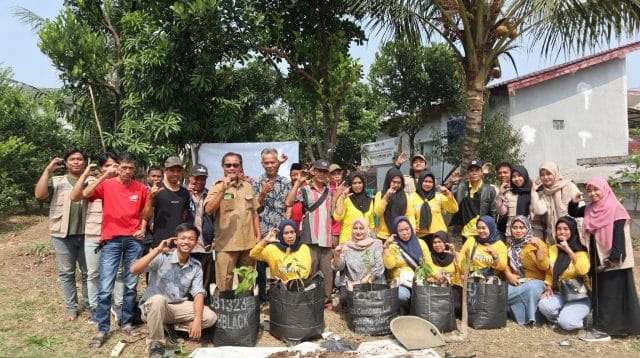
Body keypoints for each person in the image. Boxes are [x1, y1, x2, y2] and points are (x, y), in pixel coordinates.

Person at [78, 152, 149, 348]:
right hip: (111, 241)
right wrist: (104, 175)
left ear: (135, 169)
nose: (126, 172)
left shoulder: (141, 188)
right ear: (118, 167)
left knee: (131, 284)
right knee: (105, 286)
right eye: (123, 167)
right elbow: (85, 194)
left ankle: (126, 322)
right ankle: (102, 328)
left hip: (133, 241)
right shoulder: (107, 185)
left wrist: (143, 227)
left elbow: (146, 212)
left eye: (130, 168)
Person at [568, 178, 640, 340]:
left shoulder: (616, 209)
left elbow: (619, 235)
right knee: (602, 292)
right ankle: (610, 325)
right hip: (597, 257)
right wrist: (574, 201)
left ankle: (605, 329)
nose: (592, 194)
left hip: (612, 259)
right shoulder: (590, 209)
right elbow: (573, 212)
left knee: (613, 293)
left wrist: (615, 258)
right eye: (590, 191)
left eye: (596, 190)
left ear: (605, 189)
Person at [131, 223, 217, 358]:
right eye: (183, 238)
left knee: (210, 317)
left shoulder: (195, 266)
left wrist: (198, 320)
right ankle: (156, 344)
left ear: (195, 243)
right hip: (153, 307)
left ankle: (170, 326)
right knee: (159, 300)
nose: (186, 242)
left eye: (191, 239)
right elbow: (134, 270)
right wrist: (157, 250)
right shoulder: (162, 257)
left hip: (176, 308)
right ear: (176, 240)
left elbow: (198, 293)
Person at [34, 147, 89, 322]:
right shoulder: (57, 181)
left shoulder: (92, 180)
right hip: (62, 235)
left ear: (85, 162)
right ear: (66, 162)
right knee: (67, 273)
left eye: (79, 159)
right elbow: (40, 194)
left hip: (87, 234)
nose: (76, 162)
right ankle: (71, 308)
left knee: (89, 273)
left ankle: (89, 304)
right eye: (72, 159)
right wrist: (47, 170)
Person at [70, 151, 124, 324]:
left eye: (114, 165)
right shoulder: (92, 182)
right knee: (93, 273)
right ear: (101, 169)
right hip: (94, 235)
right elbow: (77, 196)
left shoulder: (123, 183)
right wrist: (103, 177)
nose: (111, 169)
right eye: (107, 166)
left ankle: (118, 306)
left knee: (119, 273)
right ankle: (96, 308)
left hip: (117, 235)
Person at [204, 152, 260, 291]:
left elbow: (254, 212)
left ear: (240, 167)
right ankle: (226, 312)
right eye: (228, 165)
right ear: (223, 167)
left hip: (248, 245)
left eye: (235, 165)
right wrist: (223, 190)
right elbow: (208, 210)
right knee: (224, 285)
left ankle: (246, 312)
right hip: (226, 246)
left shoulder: (247, 186)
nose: (232, 168)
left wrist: (258, 236)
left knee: (247, 284)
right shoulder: (217, 187)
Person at [285, 159, 334, 309]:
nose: (321, 174)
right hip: (309, 236)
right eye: (319, 170)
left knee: (327, 273)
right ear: (314, 171)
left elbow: (333, 214)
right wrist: (298, 183)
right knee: (309, 270)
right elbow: (289, 202)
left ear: (327, 175)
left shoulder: (330, 192)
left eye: (324, 172)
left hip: (326, 238)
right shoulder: (305, 190)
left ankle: (327, 300)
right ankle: (309, 297)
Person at [538, 216, 590, 331]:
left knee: (568, 324)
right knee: (544, 305)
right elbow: (549, 271)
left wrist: (569, 251)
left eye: (566, 229)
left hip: (579, 296)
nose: (562, 232)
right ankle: (560, 319)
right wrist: (548, 286)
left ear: (572, 230)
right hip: (560, 292)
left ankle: (577, 320)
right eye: (559, 229)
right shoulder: (553, 249)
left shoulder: (581, 251)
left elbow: (582, 270)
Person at [253, 148, 292, 302]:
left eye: (272, 162)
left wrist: (287, 221)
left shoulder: (286, 182)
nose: (269, 165)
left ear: (278, 163)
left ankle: (280, 293)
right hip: (263, 229)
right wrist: (263, 193)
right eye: (266, 162)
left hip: (281, 229)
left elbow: (289, 204)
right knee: (261, 266)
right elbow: (255, 208)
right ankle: (261, 296)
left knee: (281, 263)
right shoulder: (256, 182)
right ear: (262, 164)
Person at [503, 215, 548, 325]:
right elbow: (503, 265)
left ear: (528, 228)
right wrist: (509, 275)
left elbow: (545, 267)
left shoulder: (536, 243)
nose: (518, 231)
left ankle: (533, 318)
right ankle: (516, 314)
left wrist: (539, 250)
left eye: (522, 227)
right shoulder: (508, 245)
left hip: (536, 281)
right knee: (502, 292)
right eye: (515, 227)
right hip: (517, 281)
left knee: (531, 289)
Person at [332, 218, 385, 310]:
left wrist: (361, 282)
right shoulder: (346, 246)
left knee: (370, 299)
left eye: (361, 228)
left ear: (366, 229)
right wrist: (337, 255)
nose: (358, 231)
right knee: (346, 298)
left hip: (371, 281)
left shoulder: (376, 244)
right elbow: (339, 267)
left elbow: (379, 268)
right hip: (351, 281)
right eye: (355, 228)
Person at [382, 216, 430, 314]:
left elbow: (429, 264)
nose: (405, 233)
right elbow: (389, 266)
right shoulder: (393, 246)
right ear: (396, 232)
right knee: (402, 295)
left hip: (419, 280)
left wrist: (435, 276)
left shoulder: (421, 243)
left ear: (411, 229)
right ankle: (405, 313)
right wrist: (386, 247)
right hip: (402, 282)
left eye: (407, 229)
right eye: (401, 230)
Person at [142, 156, 190, 249]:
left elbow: (184, 217)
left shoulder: (185, 192)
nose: (175, 174)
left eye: (178, 171)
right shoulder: (157, 190)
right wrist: (151, 197)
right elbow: (146, 216)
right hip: (159, 245)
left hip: (179, 244)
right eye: (172, 170)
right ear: (165, 170)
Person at [531, 161, 582, 244]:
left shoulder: (569, 186)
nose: (545, 177)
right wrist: (533, 192)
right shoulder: (544, 193)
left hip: (572, 235)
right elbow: (539, 210)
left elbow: (579, 212)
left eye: (548, 174)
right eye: (542, 175)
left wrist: (581, 234)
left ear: (555, 173)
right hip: (553, 237)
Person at [186, 164, 215, 297]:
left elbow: (216, 219)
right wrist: (186, 195)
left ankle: (204, 304)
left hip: (205, 244)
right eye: (196, 178)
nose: (199, 181)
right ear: (190, 177)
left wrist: (215, 238)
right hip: (187, 245)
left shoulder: (210, 195)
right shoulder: (183, 194)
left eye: (202, 178)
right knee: (186, 276)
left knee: (206, 278)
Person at [450, 159, 497, 240]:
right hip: (466, 232)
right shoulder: (462, 187)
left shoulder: (489, 190)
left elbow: (493, 213)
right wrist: (450, 183)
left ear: (482, 172)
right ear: (468, 173)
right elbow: (447, 198)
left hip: (482, 232)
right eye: (471, 170)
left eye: (477, 170)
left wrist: (492, 231)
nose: (474, 173)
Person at [412, 171, 458, 241]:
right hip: (420, 236)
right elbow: (409, 216)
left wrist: (448, 193)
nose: (428, 184)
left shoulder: (438, 196)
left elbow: (454, 209)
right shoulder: (412, 197)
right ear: (420, 182)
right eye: (425, 181)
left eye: (430, 182)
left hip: (439, 235)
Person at [425, 231, 462, 316]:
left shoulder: (454, 255)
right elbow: (427, 273)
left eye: (440, 242)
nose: (437, 245)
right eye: (434, 242)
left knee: (457, 306)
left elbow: (462, 269)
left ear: (446, 242)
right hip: (435, 287)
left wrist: (454, 254)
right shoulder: (429, 257)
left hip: (452, 287)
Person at [333, 171, 375, 244]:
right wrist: (342, 198)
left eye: (359, 183)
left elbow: (371, 224)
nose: (357, 185)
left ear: (363, 184)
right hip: (348, 242)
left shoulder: (369, 200)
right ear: (350, 185)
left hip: (365, 242)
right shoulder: (346, 198)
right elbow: (337, 217)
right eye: (354, 183)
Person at [374, 168, 415, 240]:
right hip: (383, 236)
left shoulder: (405, 196)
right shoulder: (380, 194)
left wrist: (412, 228)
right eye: (393, 182)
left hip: (401, 236)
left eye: (399, 182)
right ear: (389, 181)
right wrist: (386, 196)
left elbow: (409, 215)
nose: (396, 185)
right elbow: (377, 213)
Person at [494, 162, 513, 238]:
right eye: (499, 173)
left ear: (511, 173)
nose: (502, 175)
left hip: (515, 228)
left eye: (505, 172)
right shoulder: (494, 189)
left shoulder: (517, 189)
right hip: (499, 229)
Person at [286, 163, 306, 229]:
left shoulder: (308, 186)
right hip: (291, 222)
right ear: (290, 175)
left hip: (305, 222)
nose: (295, 177)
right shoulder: (287, 187)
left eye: (297, 175)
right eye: (293, 175)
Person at [328, 164, 343, 245]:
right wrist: (337, 194)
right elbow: (328, 211)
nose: (337, 176)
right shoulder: (326, 190)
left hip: (346, 230)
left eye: (338, 173)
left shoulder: (346, 188)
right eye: (334, 174)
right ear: (328, 176)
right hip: (333, 231)